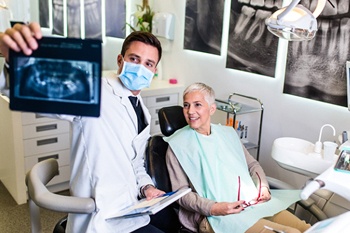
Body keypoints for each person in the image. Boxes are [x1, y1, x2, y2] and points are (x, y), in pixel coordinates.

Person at [0, 22, 166, 233]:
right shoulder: (93, 89)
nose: (141, 68)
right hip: (100, 216)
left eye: (149, 64)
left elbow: (135, 162)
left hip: (131, 210)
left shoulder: (142, 110)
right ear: (120, 60)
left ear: (154, 70)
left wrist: (146, 187)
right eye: (134, 59)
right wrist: (14, 63)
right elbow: (36, 88)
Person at [164, 82, 311, 233]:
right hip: (216, 217)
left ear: (212, 109)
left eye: (197, 105)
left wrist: (263, 186)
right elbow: (181, 194)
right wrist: (214, 208)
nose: (190, 111)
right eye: (186, 105)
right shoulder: (177, 145)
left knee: (307, 229)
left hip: (251, 204)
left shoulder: (228, 134)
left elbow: (252, 165)